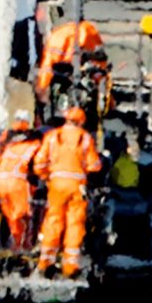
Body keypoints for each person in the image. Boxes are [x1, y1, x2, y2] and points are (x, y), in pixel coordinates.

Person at [32, 106, 104, 278]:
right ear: (81, 121)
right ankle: (70, 266)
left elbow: (39, 163)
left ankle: (45, 262)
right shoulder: (85, 138)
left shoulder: (52, 137)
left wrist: (47, 177)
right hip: (77, 186)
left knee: (53, 220)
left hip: (56, 185)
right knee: (75, 223)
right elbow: (95, 165)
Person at [0, 111, 42, 251]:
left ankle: (5, 241)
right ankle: (22, 244)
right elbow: (37, 165)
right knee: (23, 215)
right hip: (18, 180)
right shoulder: (34, 142)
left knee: (8, 214)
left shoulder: (6, 137)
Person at [35, 16, 104, 101]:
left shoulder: (57, 35)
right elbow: (100, 61)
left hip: (65, 75)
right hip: (75, 76)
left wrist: (42, 87)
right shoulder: (89, 30)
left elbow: (47, 65)